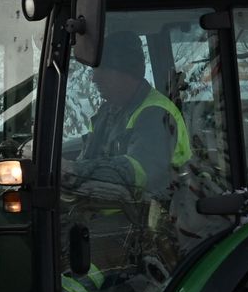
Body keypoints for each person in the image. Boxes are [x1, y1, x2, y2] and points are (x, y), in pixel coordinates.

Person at [69, 31, 190, 201]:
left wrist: (76, 172)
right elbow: (87, 157)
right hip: (103, 210)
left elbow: (140, 171)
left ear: (126, 73)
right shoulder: (106, 113)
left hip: (147, 217)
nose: (95, 79)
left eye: (103, 70)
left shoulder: (156, 113)